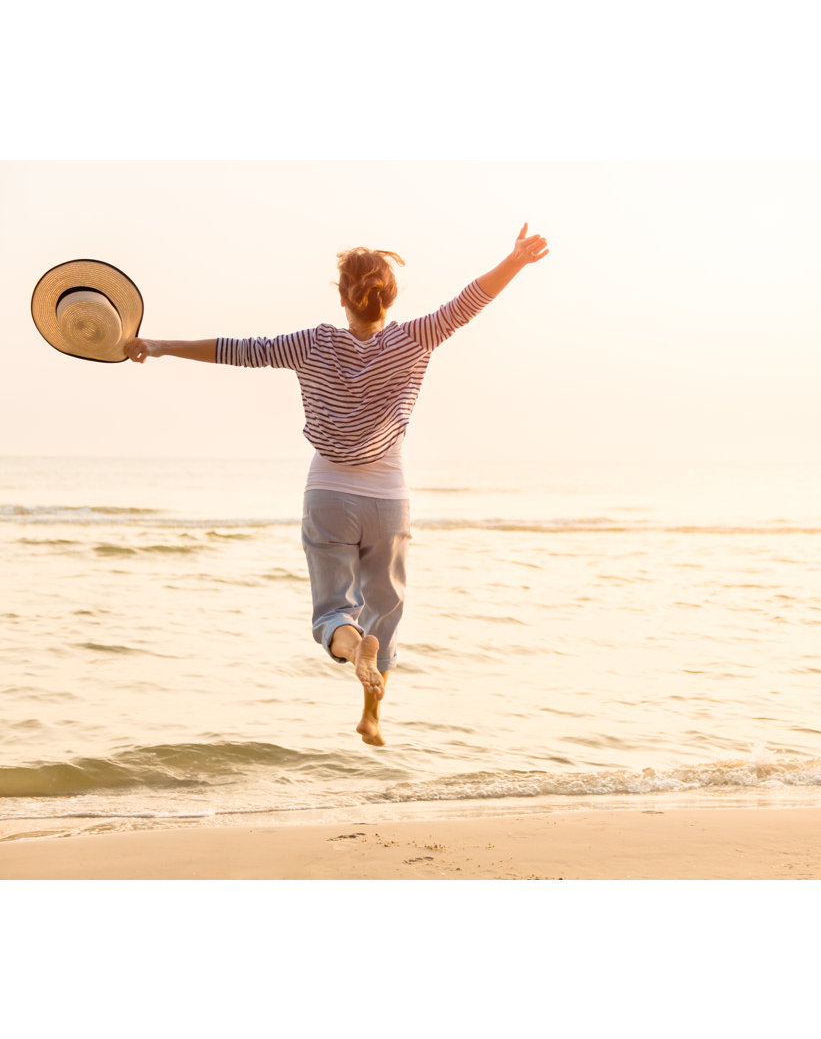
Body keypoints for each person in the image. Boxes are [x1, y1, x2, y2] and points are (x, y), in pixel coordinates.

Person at [124, 223, 549, 746]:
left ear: (342, 296)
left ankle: (351, 649)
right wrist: (516, 259)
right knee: (385, 609)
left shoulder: (312, 344)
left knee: (332, 611)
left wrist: (158, 345)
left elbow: (237, 350)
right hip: (388, 498)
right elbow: (469, 302)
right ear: (390, 296)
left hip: (328, 493)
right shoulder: (414, 339)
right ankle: (372, 715)